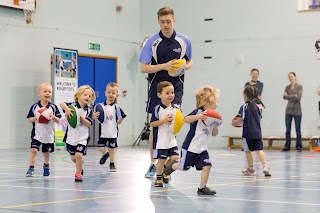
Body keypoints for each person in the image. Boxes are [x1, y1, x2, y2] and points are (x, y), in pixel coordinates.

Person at [139, 6, 193, 178]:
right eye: (162, 22)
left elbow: (190, 61)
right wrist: (164, 66)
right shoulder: (152, 42)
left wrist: (183, 67)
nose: (166, 25)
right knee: (156, 127)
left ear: (174, 21)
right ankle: (153, 164)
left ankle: (169, 162)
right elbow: (143, 68)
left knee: (173, 122)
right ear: (158, 22)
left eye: (168, 21)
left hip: (176, 89)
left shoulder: (184, 40)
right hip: (157, 90)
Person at [164, 86, 220, 195]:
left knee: (207, 166)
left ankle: (202, 188)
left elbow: (214, 134)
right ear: (207, 102)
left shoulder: (213, 117)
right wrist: (198, 117)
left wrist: (216, 125)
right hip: (190, 147)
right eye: (214, 101)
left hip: (202, 149)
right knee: (183, 168)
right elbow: (185, 119)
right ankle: (169, 168)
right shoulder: (199, 112)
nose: (216, 104)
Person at [232, 86, 271, 177]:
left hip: (247, 133)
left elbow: (240, 119)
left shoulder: (244, 106)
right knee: (259, 150)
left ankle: (251, 168)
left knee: (247, 150)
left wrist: (234, 123)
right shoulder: (259, 106)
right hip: (257, 132)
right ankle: (265, 166)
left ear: (245, 95)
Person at [60, 85, 96, 182]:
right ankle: (80, 165)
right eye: (85, 95)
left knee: (78, 155)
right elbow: (62, 104)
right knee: (73, 158)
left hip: (82, 137)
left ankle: (78, 174)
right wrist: (66, 109)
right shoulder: (72, 106)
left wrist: (80, 118)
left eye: (90, 96)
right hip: (71, 137)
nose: (88, 97)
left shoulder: (88, 110)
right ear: (78, 95)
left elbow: (89, 123)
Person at [26, 83, 61, 177]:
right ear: (39, 94)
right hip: (37, 133)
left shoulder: (53, 107)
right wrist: (36, 118)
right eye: (45, 91)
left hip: (48, 134)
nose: (47, 93)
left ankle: (46, 166)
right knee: (33, 150)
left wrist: (53, 117)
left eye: (50, 92)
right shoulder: (35, 107)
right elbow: (29, 119)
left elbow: (58, 120)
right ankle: (31, 168)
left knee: (46, 152)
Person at [150, 81, 180, 187]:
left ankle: (165, 172)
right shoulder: (157, 109)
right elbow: (152, 123)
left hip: (172, 139)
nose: (171, 95)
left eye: (172, 92)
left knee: (175, 158)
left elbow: (179, 121)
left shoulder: (176, 108)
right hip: (161, 140)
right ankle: (158, 179)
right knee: (161, 160)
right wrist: (164, 120)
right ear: (159, 95)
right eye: (167, 93)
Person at [94, 82, 126, 172]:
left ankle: (112, 164)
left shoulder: (116, 107)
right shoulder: (100, 106)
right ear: (105, 93)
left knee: (112, 149)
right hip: (103, 132)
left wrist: (120, 121)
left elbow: (121, 117)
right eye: (109, 92)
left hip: (112, 132)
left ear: (117, 95)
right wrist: (94, 115)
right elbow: (95, 115)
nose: (111, 94)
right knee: (100, 147)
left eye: (113, 93)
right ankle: (105, 154)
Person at [282, 72, 303, 152]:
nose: (290, 78)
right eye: (289, 77)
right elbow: (284, 96)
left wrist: (289, 96)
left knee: (298, 129)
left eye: (292, 76)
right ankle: (287, 146)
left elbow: (299, 97)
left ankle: (299, 146)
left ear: (295, 77)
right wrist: (294, 95)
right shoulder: (287, 87)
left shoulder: (299, 86)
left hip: (297, 111)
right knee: (287, 130)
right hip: (288, 110)